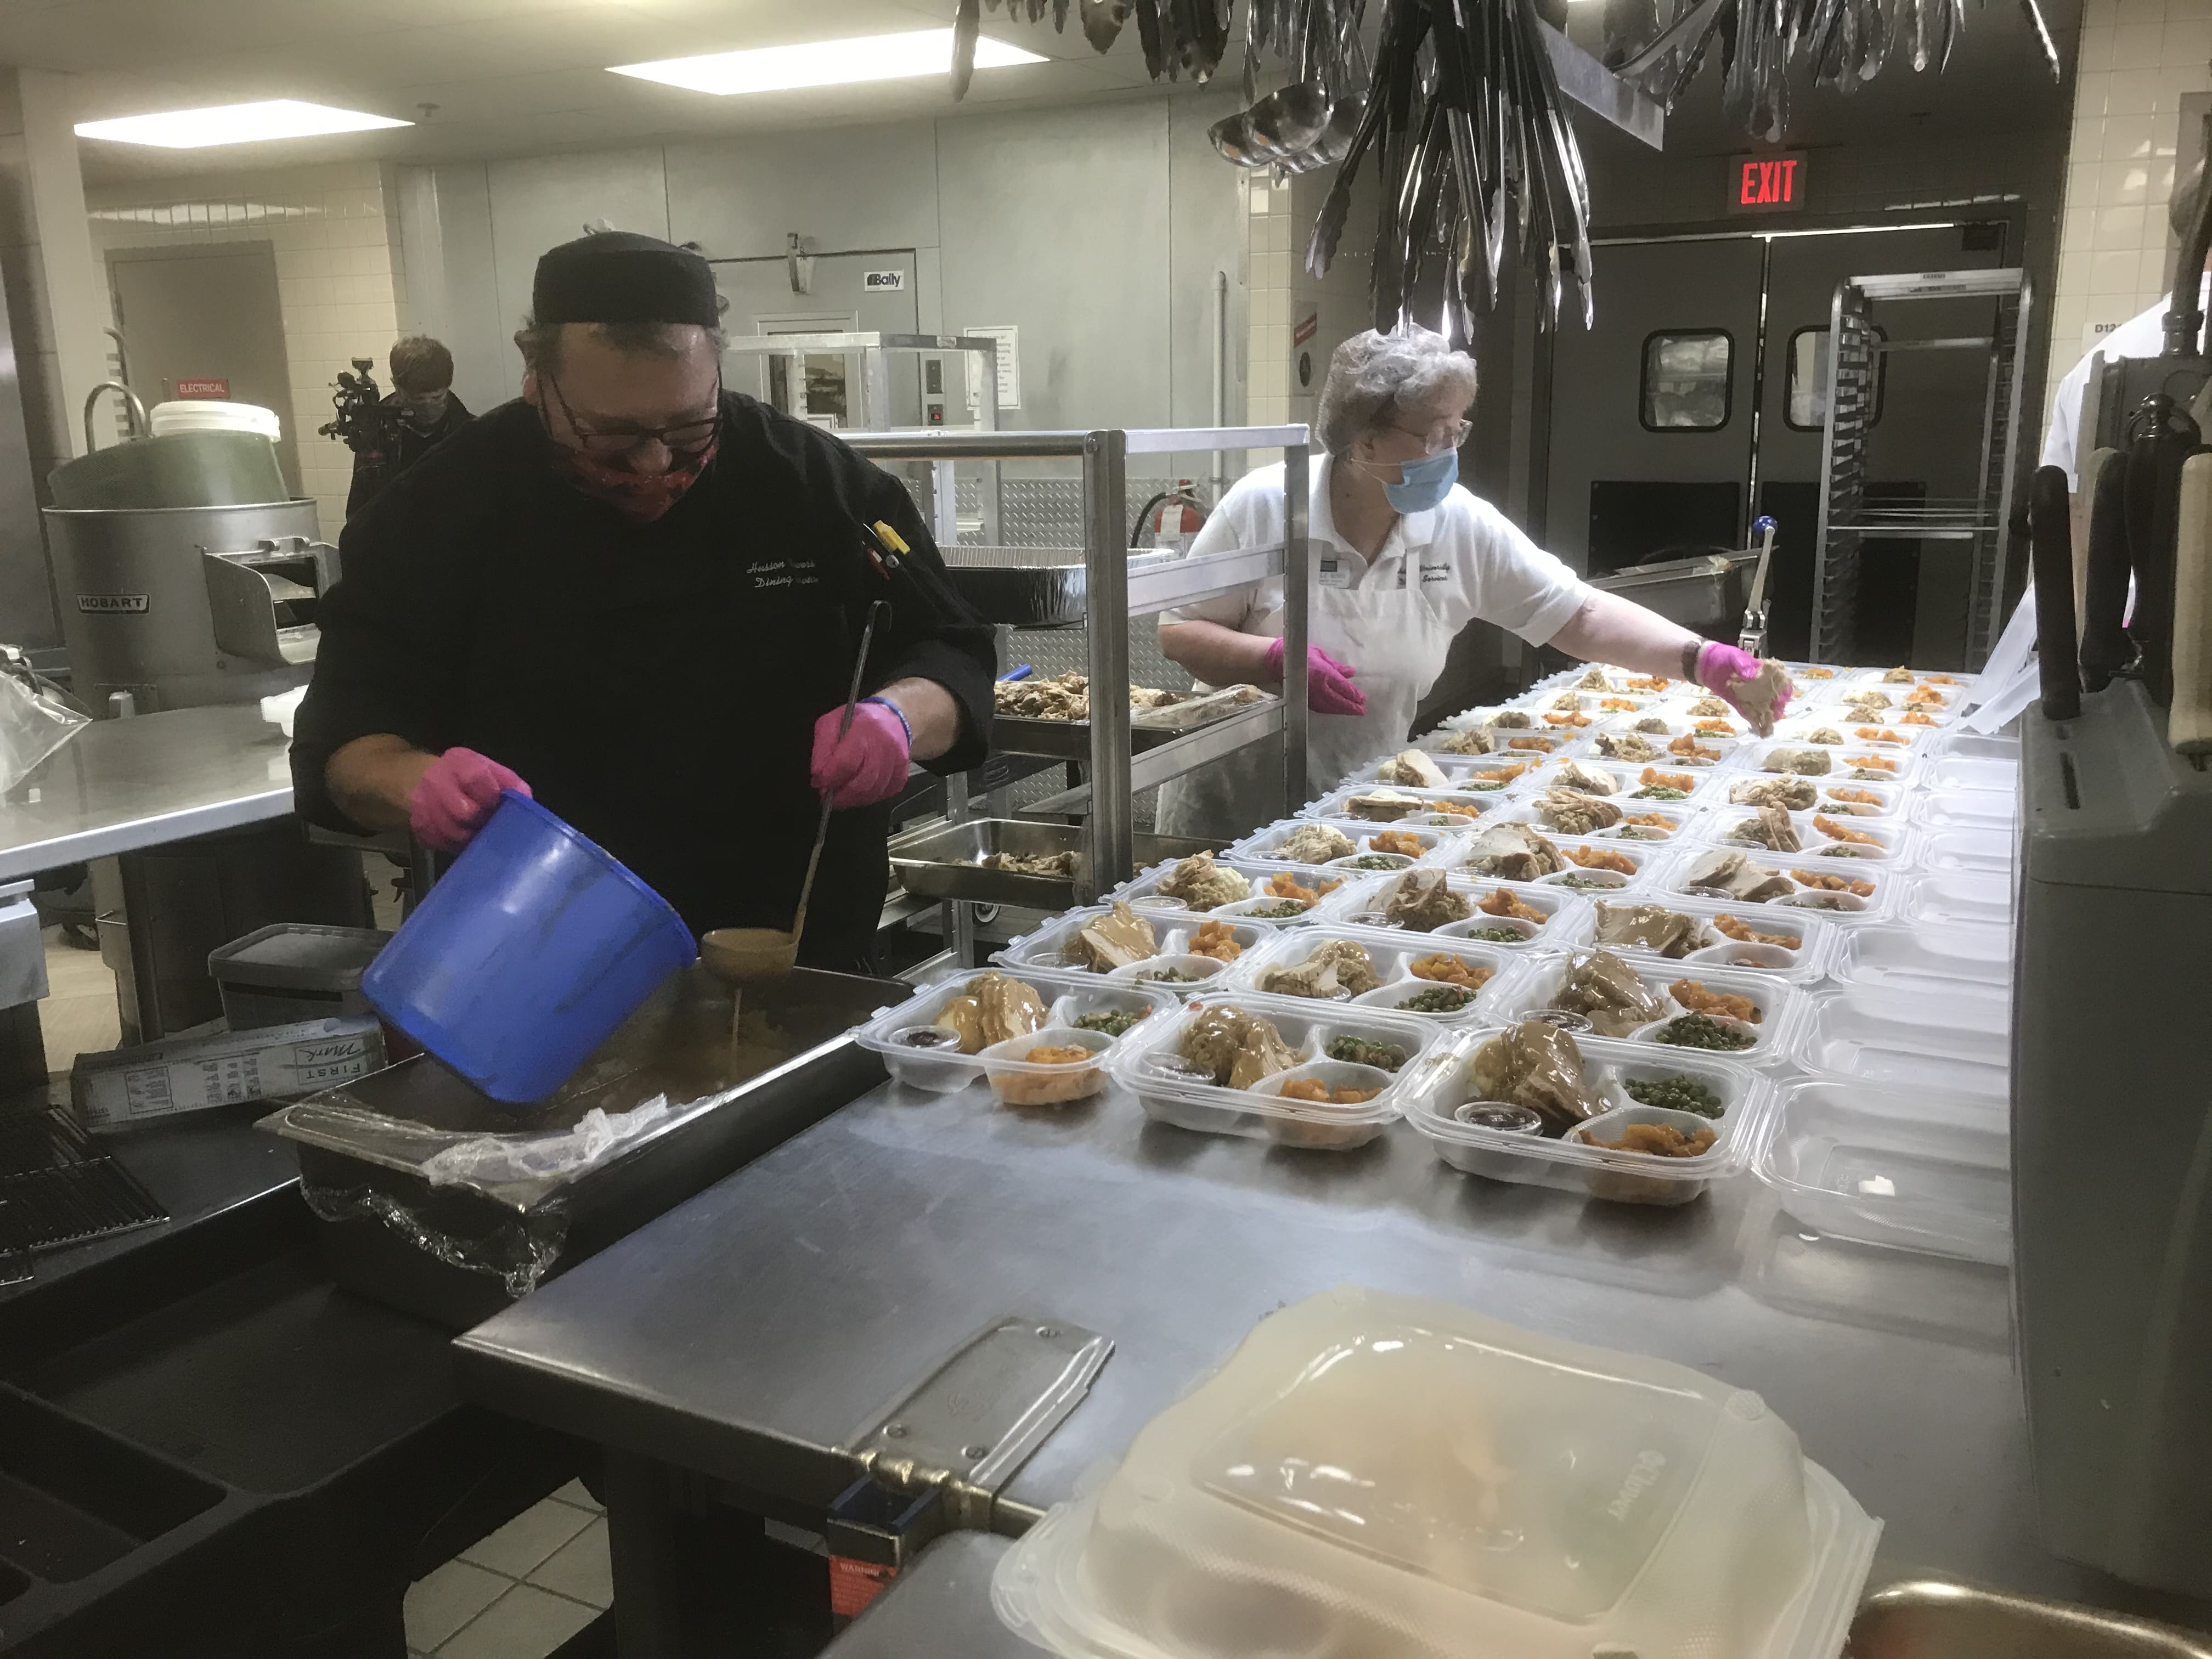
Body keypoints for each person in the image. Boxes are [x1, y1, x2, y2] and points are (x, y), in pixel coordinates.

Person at [292, 231, 995, 972]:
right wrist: (418, 785)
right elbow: (345, 748)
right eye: (612, 439)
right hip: (540, 953)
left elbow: (952, 649)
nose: (658, 466)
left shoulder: (814, 485)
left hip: (795, 946)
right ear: (537, 378)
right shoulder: (435, 514)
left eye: (693, 429)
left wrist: (898, 719)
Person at [1155, 326, 1784, 838]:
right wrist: (1274, 661)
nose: (1451, 448)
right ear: (1364, 439)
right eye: (1434, 432)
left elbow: (1577, 616)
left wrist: (1702, 660)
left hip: (1362, 804)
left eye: (1459, 428)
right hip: (1229, 811)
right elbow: (1180, 631)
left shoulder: (1458, 524)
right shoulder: (1267, 505)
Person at [344, 335, 475, 516]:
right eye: (418, 400)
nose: (429, 407)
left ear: (448, 387)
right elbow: (360, 511)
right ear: (397, 387)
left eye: (437, 398)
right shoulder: (376, 431)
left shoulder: (469, 433)